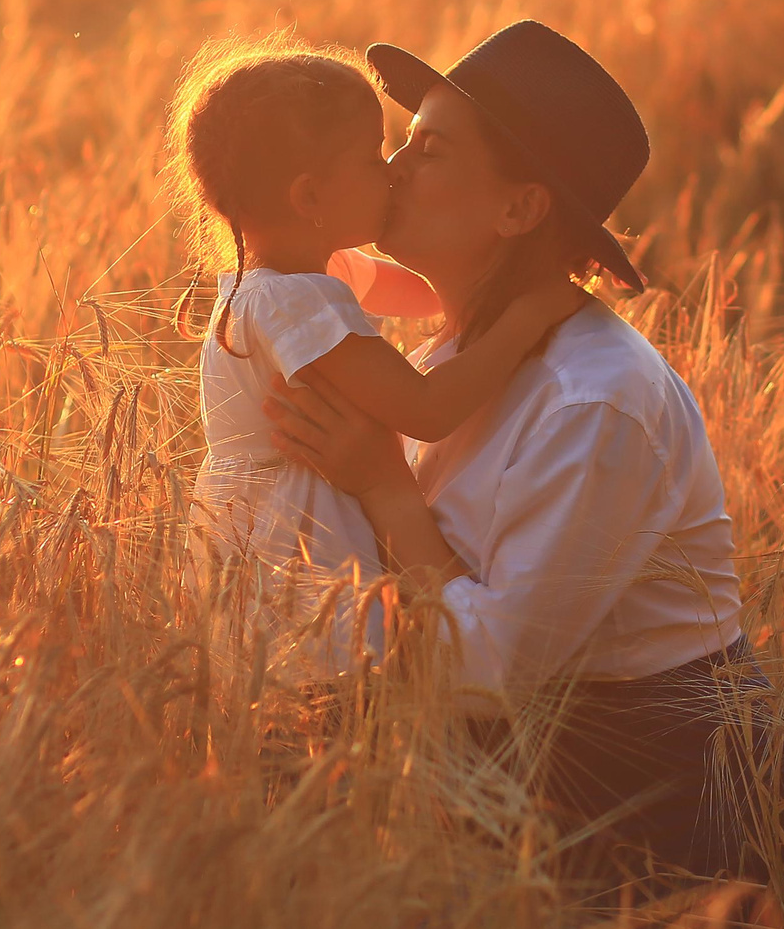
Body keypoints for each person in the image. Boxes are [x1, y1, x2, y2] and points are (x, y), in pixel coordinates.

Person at [264, 20, 776, 881]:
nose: (392, 167)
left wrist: (383, 487)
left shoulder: (596, 401)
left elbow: (494, 673)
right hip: (528, 791)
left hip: (657, 817)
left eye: (429, 150)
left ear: (519, 207)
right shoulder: (441, 364)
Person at [166, 37, 586, 642]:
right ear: (310, 196)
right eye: (373, 156)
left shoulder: (297, 277)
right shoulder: (296, 302)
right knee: (335, 710)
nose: (390, 172)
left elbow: (434, 295)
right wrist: (529, 314)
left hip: (254, 539)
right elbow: (426, 409)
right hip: (298, 557)